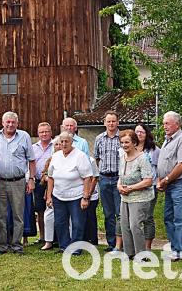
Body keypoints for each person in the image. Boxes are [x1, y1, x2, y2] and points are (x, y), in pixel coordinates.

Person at [0, 111, 36, 254]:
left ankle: (16, 245)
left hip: (18, 181)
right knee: (0, 215)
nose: (10, 124)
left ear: (17, 123)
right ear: (2, 123)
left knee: (18, 215)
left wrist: (31, 179)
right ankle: (1, 245)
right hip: (0, 182)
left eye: (13, 122)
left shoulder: (24, 136)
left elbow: (31, 160)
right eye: (7, 122)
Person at [156, 111, 182, 261]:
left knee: (179, 218)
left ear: (177, 124)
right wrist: (163, 180)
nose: (164, 126)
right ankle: (175, 248)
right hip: (170, 184)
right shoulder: (168, 140)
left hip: (181, 183)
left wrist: (166, 179)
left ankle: (180, 251)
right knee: (168, 217)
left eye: (167, 123)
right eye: (163, 123)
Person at [46, 132, 92, 255]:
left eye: (67, 141)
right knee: (60, 222)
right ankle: (63, 246)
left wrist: (85, 197)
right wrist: (49, 196)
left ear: (72, 142)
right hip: (58, 195)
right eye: (62, 141)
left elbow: (87, 177)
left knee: (77, 223)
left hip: (76, 196)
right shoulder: (56, 156)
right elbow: (50, 177)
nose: (64, 144)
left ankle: (76, 248)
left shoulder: (80, 156)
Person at [117, 129, 154, 259]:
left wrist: (131, 188)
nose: (124, 145)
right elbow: (120, 176)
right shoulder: (123, 157)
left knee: (135, 225)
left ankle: (141, 255)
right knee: (125, 225)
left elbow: (148, 180)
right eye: (122, 142)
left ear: (134, 143)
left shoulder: (142, 158)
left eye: (127, 142)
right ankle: (129, 253)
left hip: (140, 197)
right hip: (125, 196)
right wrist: (119, 186)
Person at [94, 110, 121, 252]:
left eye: (113, 121)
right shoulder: (99, 138)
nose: (111, 123)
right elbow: (97, 158)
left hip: (119, 178)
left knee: (120, 213)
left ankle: (120, 243)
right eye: (108, 121)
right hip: (104, 178)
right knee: (108, 213)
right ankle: (111, 244)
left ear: (117, 122)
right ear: (104, 123)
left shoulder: (122, 138)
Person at [136, 124, 160, 250]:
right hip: (134, 187)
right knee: (136, 217)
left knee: (147, 216)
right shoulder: (132, 147)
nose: (139, 134)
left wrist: (160, 181)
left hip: (150, 186)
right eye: (137, 132)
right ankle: (136, 245)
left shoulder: (154, 150)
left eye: (142, 132)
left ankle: (147, 246)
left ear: (147, 134)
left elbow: (159, 168)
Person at [31, 122, 54, 243]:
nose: (44, 134)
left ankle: (54, 237)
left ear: (51, 132)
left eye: (46, 131)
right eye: (41, 132)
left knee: (53, 209)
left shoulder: (56, 145)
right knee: (40, 210)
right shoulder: (34, 148)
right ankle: (42, 237)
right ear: (38, 134)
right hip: (39, 182)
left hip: (53, 182)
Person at [39, 136, 62, 251]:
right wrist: (48, 178)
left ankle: (64, 241)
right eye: (56, 144)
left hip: (66, 191)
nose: (58, 146)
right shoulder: (50, 160)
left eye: (60, 144)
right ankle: (48, 241)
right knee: (48, 216)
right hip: (51, 191)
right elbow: (43, 175)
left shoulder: (71, 158)